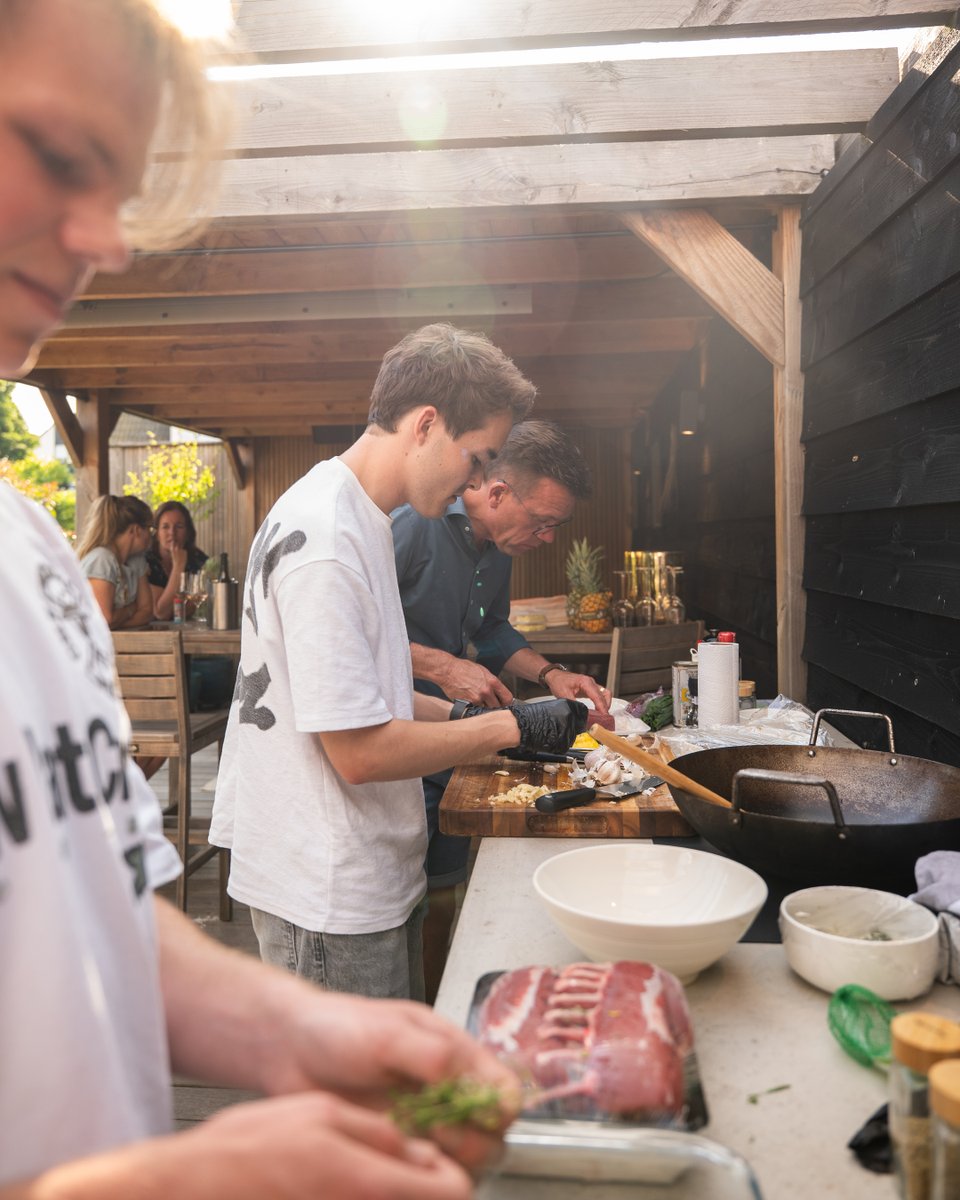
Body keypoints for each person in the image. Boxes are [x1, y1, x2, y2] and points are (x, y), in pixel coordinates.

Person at [0, 2, 521, 1196]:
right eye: (59, 155)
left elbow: (101, 904)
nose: (109, 244)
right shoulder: (327, 531)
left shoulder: (28, 548)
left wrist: (305, 1032)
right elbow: (350, 745)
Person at [210, 323, 587, 1004]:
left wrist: (465, 714)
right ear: (426, 425)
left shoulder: (356, 517)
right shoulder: (329, 538)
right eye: (476, 458)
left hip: (354, 871)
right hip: (328, 891)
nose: (479, 480)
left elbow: (358, 690)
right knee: (367, 1110)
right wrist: (515, 728)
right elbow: (358, 750)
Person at [392, 419, 612, 1000]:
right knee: (399, 906)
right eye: (543, 523)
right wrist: (441, 666)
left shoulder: (497, 548)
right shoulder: (413, 523)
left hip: (456, 743)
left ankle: (441, 1005)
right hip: (393, 744)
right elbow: (346, 629)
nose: (547, 539)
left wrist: (552, 673)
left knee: (444, 890)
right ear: (496, 493)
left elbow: (491, 630)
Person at [76, 493, 155, 630]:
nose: (151, 535)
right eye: (149, 528)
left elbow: (147, 612)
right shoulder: (101, 559)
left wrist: (116, 621)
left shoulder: (136, 560)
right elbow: (105, 621)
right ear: (136, 530)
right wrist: (131, 609)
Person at [146, 500, 208, 621]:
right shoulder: (146, 562)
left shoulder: (198, 559)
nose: (172, 533)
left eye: (179, 526)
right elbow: (161, 612)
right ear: (157, 533)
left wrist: (173, 604)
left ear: (188, 532)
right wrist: (179, 566)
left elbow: (202, 606)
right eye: (165, 527)